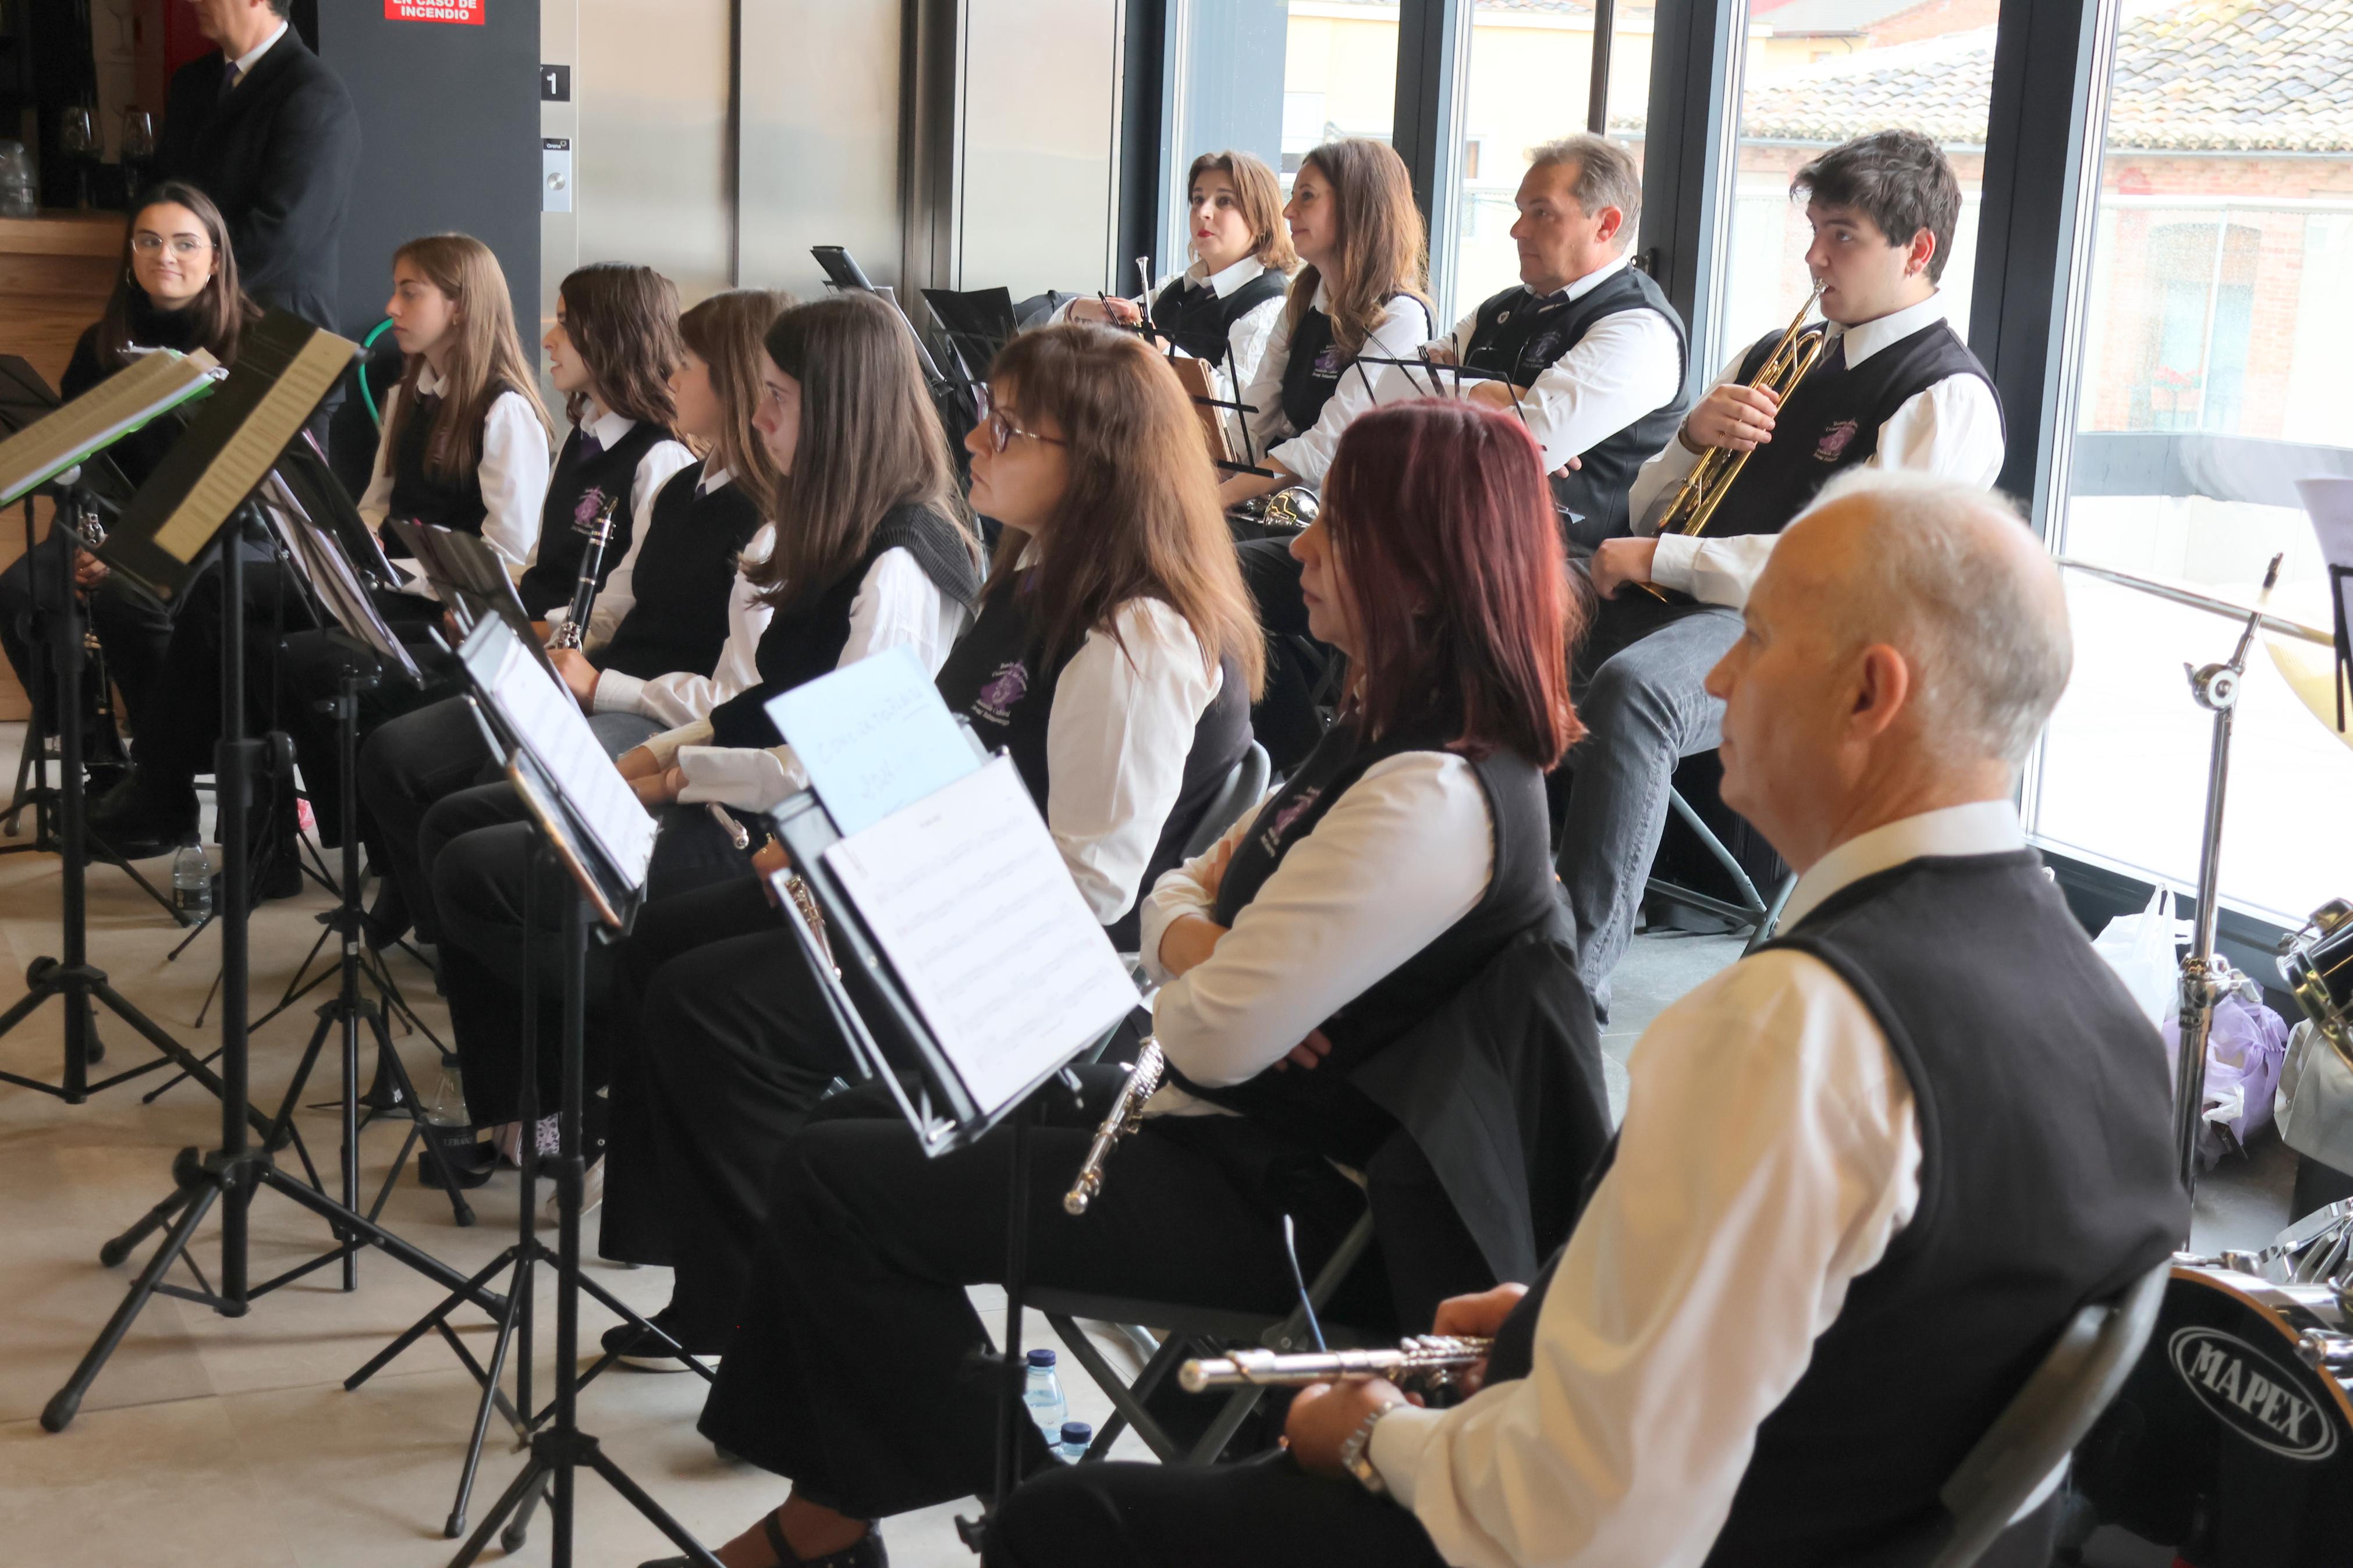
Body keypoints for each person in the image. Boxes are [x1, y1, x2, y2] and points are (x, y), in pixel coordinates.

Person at [984, 471, 2187, 1568]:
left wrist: (1370, 1440)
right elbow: (1876, 1360)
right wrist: (1583, 1315)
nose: (1714, 679)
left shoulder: (1798, 1027)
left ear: (1870, 692)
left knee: (1065, 1532)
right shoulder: (2114, 1024)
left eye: (1754, 640)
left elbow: (1575, 1523)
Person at [654, 399, 1581, 1568]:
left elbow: (1207, 1036)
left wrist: (1210, 954)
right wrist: (1212, 945)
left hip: (1296, 1201)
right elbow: (1178, 891)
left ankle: (924, 1502)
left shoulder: (1434, 794)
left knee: (843, 1183)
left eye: (1332, 529)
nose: (1296, 547)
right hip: (1220, 1127)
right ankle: (849, 1516)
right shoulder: (1383, 728)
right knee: (841, 1132)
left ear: (1421, 569)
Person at [598, 321, 1263, 1363]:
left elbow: (1089, 888)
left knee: (712, 1010)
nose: (974, 437)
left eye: (1007, 426)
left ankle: (758, 1309)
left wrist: (876, 884)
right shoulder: (1040, 572)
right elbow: (939, 754)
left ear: (1092, 461)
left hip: (1015, 964)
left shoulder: (1134, 632)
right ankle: (712, 1268)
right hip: (940, 900)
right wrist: (831, 845)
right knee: (664, 942)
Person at [416, 290, 982, 1174]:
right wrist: (650, 760)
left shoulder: (902, 562)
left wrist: (673, 778)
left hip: (782, 843)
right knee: (477, 849)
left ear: (844, 411)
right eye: (756, 391)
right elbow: (760, 700)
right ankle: (555, 1094)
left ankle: (581, 1083)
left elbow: (843, 768)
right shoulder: (835, 520)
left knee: (495, 871)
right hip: (738, 799)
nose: (759, 418)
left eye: (778, 398)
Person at [1557, 128, 2006, 1019]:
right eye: (1813, 231)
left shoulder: (1943, 396)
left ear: (1915, 250)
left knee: (1634, 692)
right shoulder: (1777, 350)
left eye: (1840, 234)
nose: (1813, 255)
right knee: (1486, 607)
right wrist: (1688, 439)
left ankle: (1571, 973)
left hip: (1802, 638)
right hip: (1672, 590)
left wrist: (1665, 558)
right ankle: (1474, 895)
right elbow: (1647, 507)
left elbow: (1850, 575)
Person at [347, 287, 785, 946]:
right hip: (598, 680)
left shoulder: (763, 520)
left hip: (654, 712)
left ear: (735, 382)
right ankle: (452, 936)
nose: (671, 376)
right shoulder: (680, 488)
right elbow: (611, 605)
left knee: (489, 788)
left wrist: (598, 684)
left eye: (686, 363)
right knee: (398, 751)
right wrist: (535, 641)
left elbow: (731, 698)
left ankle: (489, 947)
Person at [267, 233, 556, 887]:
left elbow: (507, 557)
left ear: (459, 306)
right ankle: (339, 833)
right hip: (395, 586)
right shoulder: (408, 392)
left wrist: (397, 575)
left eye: (409, 290)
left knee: (308, 654)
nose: (391, 306)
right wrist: (350, 556)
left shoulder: (505, 409)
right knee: (254, 614)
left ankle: (385, 853)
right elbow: (376, 505)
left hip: (450, 610)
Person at [0, 183, 255, 778]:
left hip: (209, 533)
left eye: (185, 243)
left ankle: (166, 767)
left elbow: (237, 482)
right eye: (149, 241)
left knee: (127, 600)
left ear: (216, 259)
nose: (165, 255)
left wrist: (129, 551)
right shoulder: (102, 344)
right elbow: (70, 461)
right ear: (132, 255)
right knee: (21, 590)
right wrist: (85, 541)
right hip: (106, 527)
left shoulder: (249, 343)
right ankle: (99, 760)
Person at [1220, 138, 1433, 768]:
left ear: (1361, 207)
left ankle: (1292, 761)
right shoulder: (1303, 298)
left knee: (1208, 577)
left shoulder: (1402, 318)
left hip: (1356, 530)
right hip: (1290, 510)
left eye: (1307, 196)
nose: (1287, 211)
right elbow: (1253, 422)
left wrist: (1215, 495)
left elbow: (1325, 447)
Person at [1418, 134, 1687, 553]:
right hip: (1455, 542)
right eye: (1521, 211)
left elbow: (1516, 453)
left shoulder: (1637, 327)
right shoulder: (1501, 307)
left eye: (1542, 212)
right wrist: (1493, 398)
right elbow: (1388, 388)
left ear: (1606, 225)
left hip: (1561, 570)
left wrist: (1456, 395)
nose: (1517, 230)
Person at [1060, 150, 1294, 457]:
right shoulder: (1177, 287)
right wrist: (1081, 310)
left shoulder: (1269, 304)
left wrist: (1161, 348)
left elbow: (1238, 412)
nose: (1203, 212)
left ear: (1261, 219)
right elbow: (1088, 340)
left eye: (1224, 201)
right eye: (1197, 200)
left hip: (1203, 467)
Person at [158, 0, 359, 338]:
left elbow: (282, 231)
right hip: (188, 321)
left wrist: (186, 277)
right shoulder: (191, 82)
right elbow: (161, 193)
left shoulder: (315, 93)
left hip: (275, 333)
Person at [518, 263, 697, 620]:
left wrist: (542, 632)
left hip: (579, 657)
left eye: (566, 325)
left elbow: (631, 605)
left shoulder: (661, 458)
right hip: (533, 632)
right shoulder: (582, 435)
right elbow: (543, 564)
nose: (548, 340)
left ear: (616, 336)